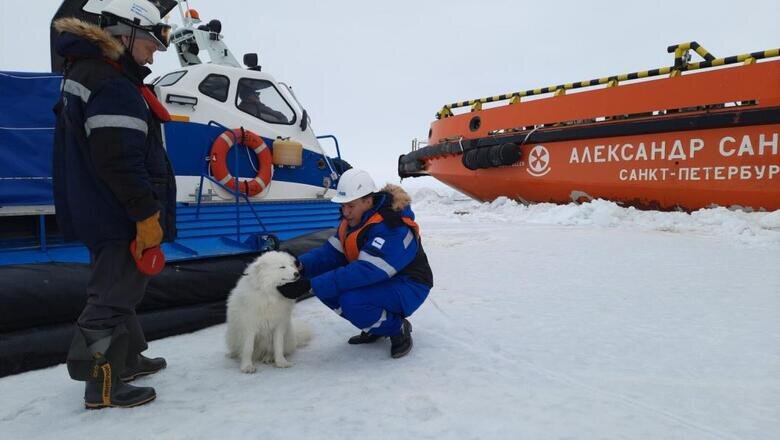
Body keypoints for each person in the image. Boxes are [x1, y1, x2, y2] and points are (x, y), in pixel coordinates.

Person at [52, 0, 176, 409]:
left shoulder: (91, 72)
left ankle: (130, 358)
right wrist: (145, 214)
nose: (155, 51)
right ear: (127, 34)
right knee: (112, 295)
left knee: (123, 287)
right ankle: (102, 385)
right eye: (152, 42)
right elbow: (119, 159)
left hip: (99, 207)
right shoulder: (113, 84)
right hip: (119, 212)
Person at [277, 169, 433, 358]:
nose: (345, 212)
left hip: (410, 284)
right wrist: (298, 266)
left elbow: (366, 271)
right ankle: (374, 324)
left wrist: (310, 285)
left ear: (368, 201)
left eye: (350, 205)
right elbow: (329, 254)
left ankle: (396, 328)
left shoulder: (392, 227)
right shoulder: (351, 223)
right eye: (343, 206)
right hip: (383, 280)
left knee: (351, 300)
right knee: (325, 286)